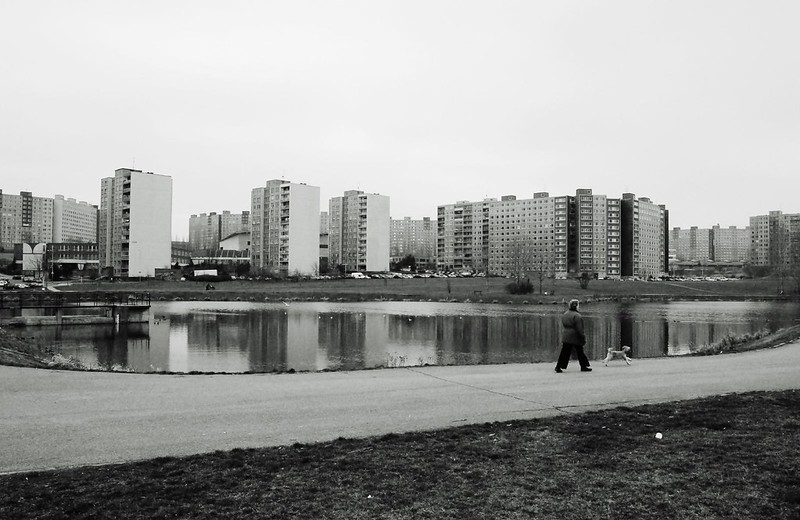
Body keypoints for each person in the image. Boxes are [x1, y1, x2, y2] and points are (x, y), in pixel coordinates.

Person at [555, 299, 592, 373]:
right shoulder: (577, 316)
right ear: (576, 306)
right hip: (575, 336)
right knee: (580, 351)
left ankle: (559, 366)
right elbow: (579, 328)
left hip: (566, 334)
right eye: (578, 305)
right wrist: (583, 337)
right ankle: (584, 366)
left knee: (564, 352)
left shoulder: (565, 314)